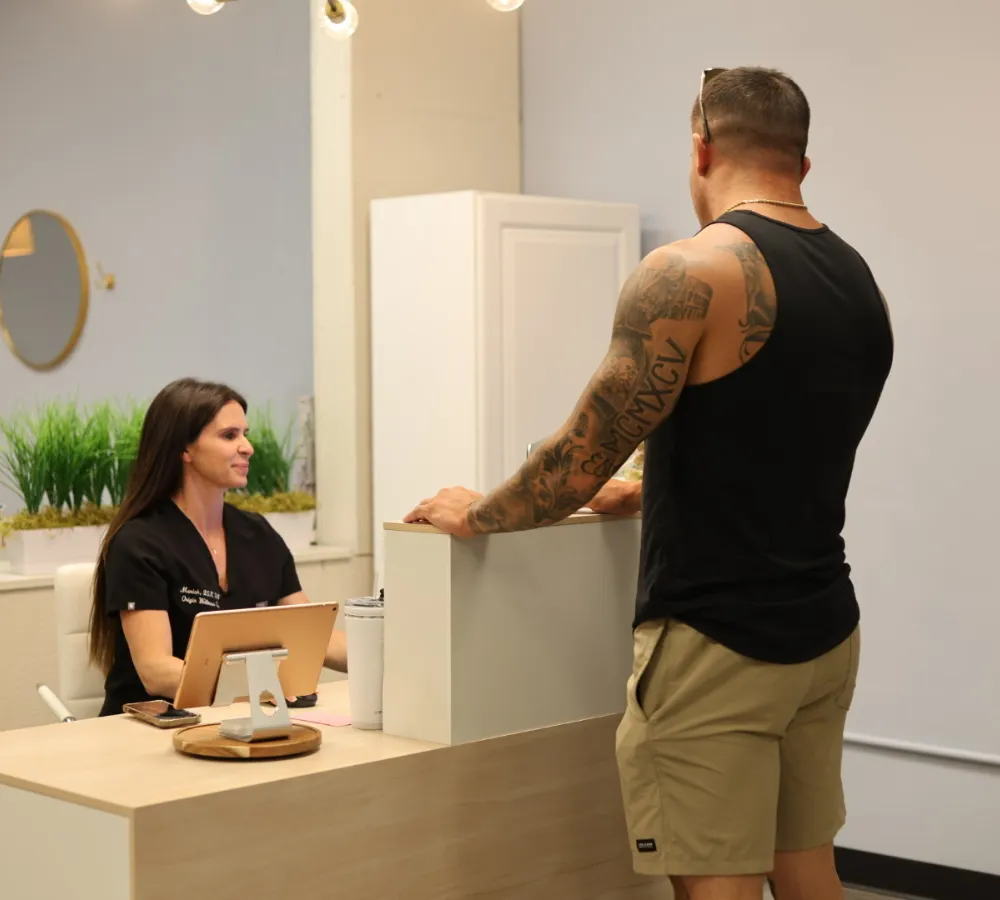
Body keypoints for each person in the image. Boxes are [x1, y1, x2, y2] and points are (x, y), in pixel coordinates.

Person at [404, 66, 893, 900]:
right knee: (809, 869)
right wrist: (655, 482)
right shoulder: (857, 282)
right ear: (802, 165)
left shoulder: (692, 271)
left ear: (700, 149)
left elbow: (579, 454)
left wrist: (478, 512)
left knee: (717, 883)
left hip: (718, 641)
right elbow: (768, 435)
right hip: (823, 628)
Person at [89, 378, 347, 717]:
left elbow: (315, 641)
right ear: (185, 450)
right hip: (152, 729)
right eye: (229, 436)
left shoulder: (257, 534)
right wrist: (258, 688)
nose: (247, 447)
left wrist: (394, 658)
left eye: (245, 433)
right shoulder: (139, 543)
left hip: (240, 719)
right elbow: (156, 671)